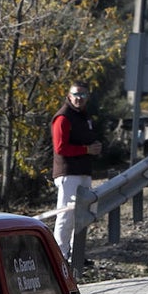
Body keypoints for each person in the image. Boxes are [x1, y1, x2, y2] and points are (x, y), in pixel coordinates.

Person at [50, 82, 103, 261]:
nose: (79, 99)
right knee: (65, 216)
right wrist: (87, 150)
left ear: (87, 98)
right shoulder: (63, 118)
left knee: (83, 215)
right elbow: (60, 147)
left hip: (83, 172)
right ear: (69, 96)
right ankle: (60, 257)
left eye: (83, 95)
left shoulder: (83, 117)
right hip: (67, 173)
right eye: (76, 95)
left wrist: (94, 147)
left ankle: (76, 255)